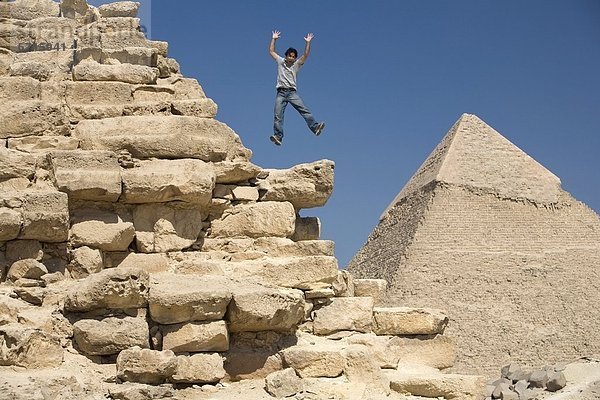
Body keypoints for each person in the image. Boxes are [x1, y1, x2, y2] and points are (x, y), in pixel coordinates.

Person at [269, 30, 325, 146]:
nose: (292, 58)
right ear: (286, 56)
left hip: (292, 93)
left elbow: (306, 55)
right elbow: (271, 51)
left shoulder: (296, 64)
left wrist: (308, 43)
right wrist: (274, 39)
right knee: (278, 115)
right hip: (280, 92)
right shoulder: (280, 62)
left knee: (304, 110)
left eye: (294, 57)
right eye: (290, 56)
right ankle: (278, 136)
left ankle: (315, 127)